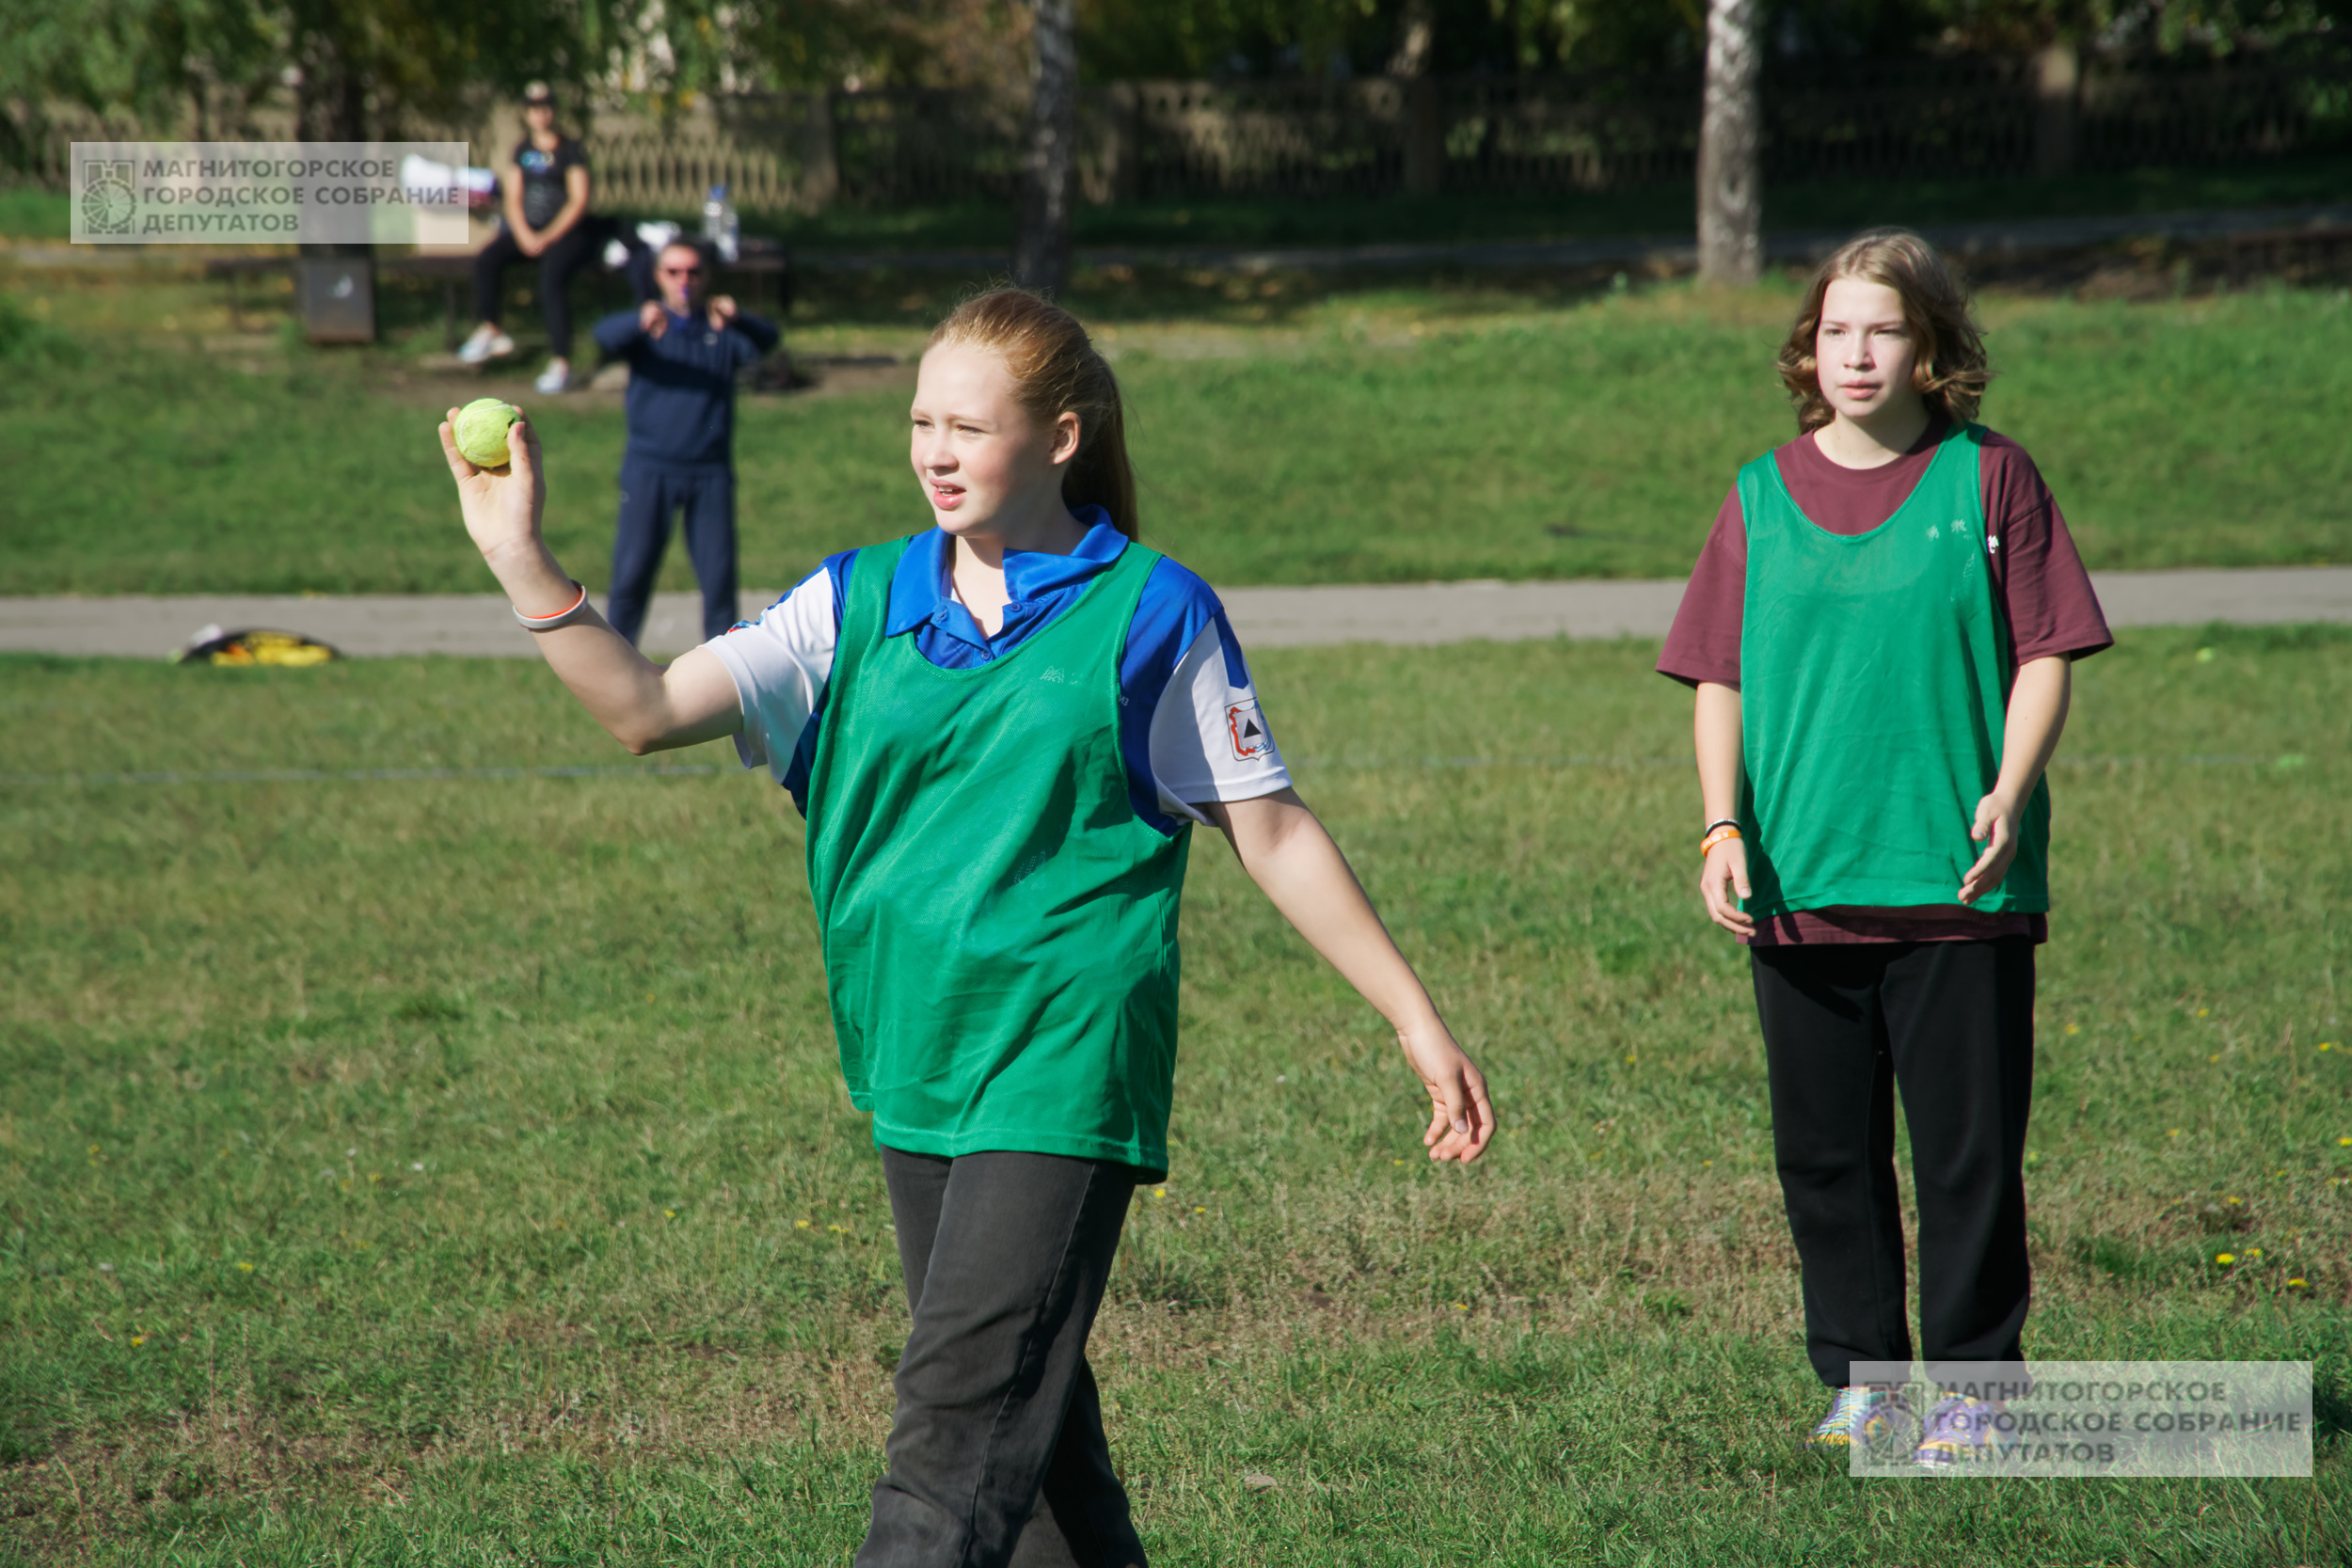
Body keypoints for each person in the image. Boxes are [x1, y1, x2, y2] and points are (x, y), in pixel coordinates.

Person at [437, 287, 1495, 1567]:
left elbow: (1268, 827)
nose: (935, 449)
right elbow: (645, 708)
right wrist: (516, 555)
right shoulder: (855, 601)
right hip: (916, 1060)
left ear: (1058, 436)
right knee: (1038, 1452)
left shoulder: (1153, 610)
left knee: (948, 1438)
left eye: (969, 425)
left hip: (1061, 1063)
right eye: (922, 420)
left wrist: (1415, 1017)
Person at [1657, 230, 2110, 1468]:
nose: (1857, 352)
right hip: (1801, 881)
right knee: (1823, 1154)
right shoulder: (1756, 494)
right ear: (1809, 348)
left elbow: (2046, 651)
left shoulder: (1993, 479)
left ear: (1933, 351)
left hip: (1958, 883)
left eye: (1886, 329)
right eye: (1836, 329)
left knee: (1967, 1155)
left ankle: (1977, 1394)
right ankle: (1867, 1389)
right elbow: (1717, 676)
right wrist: (1720, 823)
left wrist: (2012, 788)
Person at [590, 239, 778, 645]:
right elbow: (603, 337)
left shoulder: (720, 331)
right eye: (673, 272)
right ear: (658, 277)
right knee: (631, 578)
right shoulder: (649, 328)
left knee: (719, 584)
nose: (684, 280)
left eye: (693, 271)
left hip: (709, 473)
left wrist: (737, 318)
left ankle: (722, 683)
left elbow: (767, 343)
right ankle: (615, 673)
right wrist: (639, 321)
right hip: (649, 470)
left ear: (706, 276)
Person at [458, 81, 639, 394]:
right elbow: (513, 198)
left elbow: (578, 200)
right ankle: (491, 328)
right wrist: (525, 233)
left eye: (545, 108)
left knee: (551, 279)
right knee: (488, 259)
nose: (539, 115)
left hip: (566, 233)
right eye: (533, 109)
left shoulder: (570, 150)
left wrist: (548, 236)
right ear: (525, 114)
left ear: (553, 111)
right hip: (528, 230)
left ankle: (562, 362)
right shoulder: (523, 150)